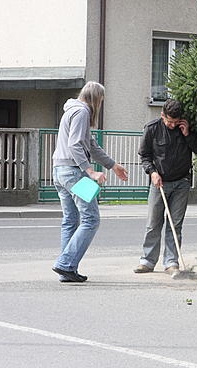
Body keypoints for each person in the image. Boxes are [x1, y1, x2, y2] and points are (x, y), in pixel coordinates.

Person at [52, 81, 128, 282]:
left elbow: (91, 146)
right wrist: (91, 172)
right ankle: (65, 264)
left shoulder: (72, 110)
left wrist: (113, 165)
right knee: (91, 219)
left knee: (70, 220)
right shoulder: (82, 112)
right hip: (74, 173)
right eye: (101, 100)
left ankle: (67, 270)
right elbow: (76, 145)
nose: (101, 104)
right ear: (96, 98)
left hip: (60, 171)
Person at [134, 99, 197, 275]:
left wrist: (187, 134)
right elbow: (144, 155)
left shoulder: (185, 128)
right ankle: (147, 261)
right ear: (162, 115)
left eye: (175, 121)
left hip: (181, 182)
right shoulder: (152, 129)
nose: (172, 125)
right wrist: (152, 172)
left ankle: (171, 262)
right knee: (153, 223)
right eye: (169, 121)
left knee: (175, 224)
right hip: (159, 182)